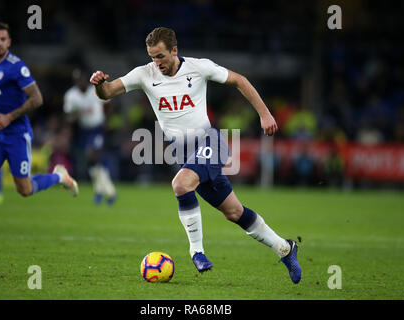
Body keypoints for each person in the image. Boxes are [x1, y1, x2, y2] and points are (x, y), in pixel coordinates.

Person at [90, 27, 301, 283]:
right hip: (184, 154)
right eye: (152, 57)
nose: (157, 63)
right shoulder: (144, 74)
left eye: (161, 56)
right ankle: (285, 248)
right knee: (233, 212)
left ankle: (196, 251)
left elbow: (239, 80)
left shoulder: (199, 67)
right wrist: (99, 85)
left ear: (174, 50)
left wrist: (265, 114)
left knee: (180, 184)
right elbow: (109, 92)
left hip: (209, 141)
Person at [0, 21, 79, 250]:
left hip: (17, 134)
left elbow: (37, 99)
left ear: (9, 42)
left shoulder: (17, 67)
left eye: (3, 39)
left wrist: (10, 117)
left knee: (24, 189)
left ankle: (60, 177)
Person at [63, 68, 116, 205]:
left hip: (98, 128)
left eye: (81, 78)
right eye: (77, 79)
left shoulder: (95, 90)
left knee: (92, 154)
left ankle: (104, 191)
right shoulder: (71, 95)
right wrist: (74, 116)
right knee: (94, 161)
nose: (79, 81)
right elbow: (68, 116)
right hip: (84, 130)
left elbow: (108, 103)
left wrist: (107, 120)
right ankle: (105, 191)